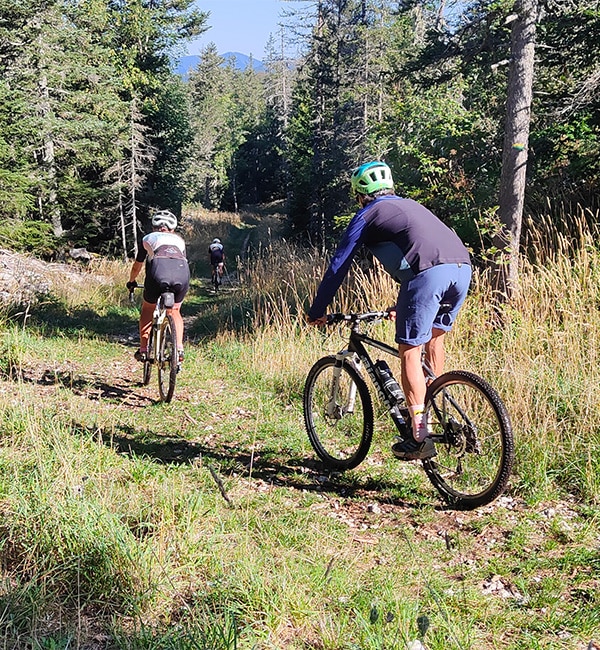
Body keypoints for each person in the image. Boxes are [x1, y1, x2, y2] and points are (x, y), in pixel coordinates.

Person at [306, 161, 472, 460]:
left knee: (409, 350)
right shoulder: (411, 206)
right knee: (434, 340)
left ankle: (419, 433)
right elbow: (417, 252)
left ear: (359, 195)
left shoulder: (367, 214)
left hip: (428, 275)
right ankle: (436, 402)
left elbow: (337, 267)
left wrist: (318, 309)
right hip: (462, 268)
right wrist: (404, 304)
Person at [127, 209, 190, 365]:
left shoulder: (148, 238)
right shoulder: (180, 241)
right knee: (175, 310)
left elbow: (137, 265)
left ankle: (143, 349)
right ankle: (179, 349)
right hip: (182, 274)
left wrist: (132, 281)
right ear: (173, 229)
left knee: (148, 308)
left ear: (154, 226)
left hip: (157, 273)